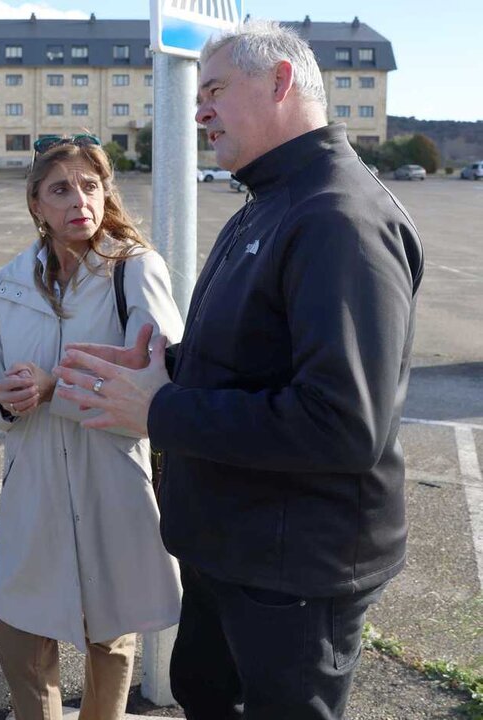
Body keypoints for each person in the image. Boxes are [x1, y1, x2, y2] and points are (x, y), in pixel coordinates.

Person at [54, 21, 423, 720]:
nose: (199, 111)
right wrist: (164, 368)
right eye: (200, 95)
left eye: (216, 90)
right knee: (205, 694)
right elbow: (250, 356)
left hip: (293, 572)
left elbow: (342, 424)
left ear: (281, 82)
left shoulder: (337, 217)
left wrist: (159, 410)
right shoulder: (268, 201)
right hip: (233, 551)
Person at [0, 135, 183, 720]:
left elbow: (163, 384)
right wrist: (6, 403)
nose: (79, 200)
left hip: (107, 479)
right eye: (61, 188)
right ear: (36, 202)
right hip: (32, 484)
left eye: (91, 186)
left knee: (108, 636)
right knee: (22, 640)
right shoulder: (11, 278)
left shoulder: (133, 269)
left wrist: (53, 390)